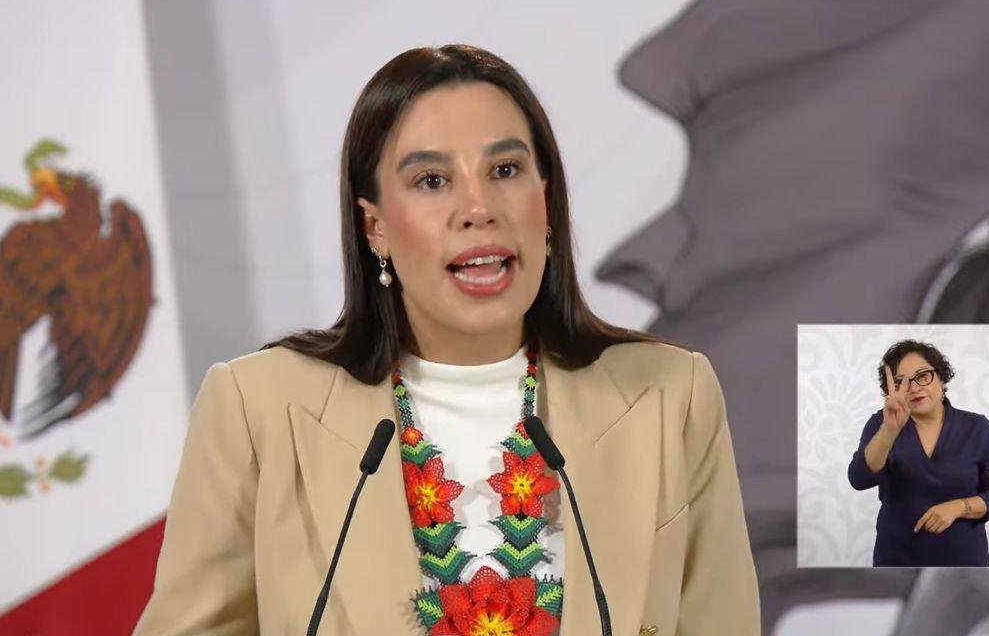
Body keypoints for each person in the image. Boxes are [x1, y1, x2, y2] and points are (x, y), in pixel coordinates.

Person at [134, 44, 759, 635]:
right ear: (375, 227)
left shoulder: (669, 396)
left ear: (545, 203)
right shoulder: (260, 409)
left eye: (506, 170)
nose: (478, 207)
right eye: (432, 180)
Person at [848, 340, 989, 567]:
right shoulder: (881, 423)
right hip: (896, 560)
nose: (914, 387)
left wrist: (957, 508)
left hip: (964, 562)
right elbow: (859, 479)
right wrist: (889, 431)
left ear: (941, 377)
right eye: (901, 382)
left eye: (922, 376)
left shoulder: (977, 428)